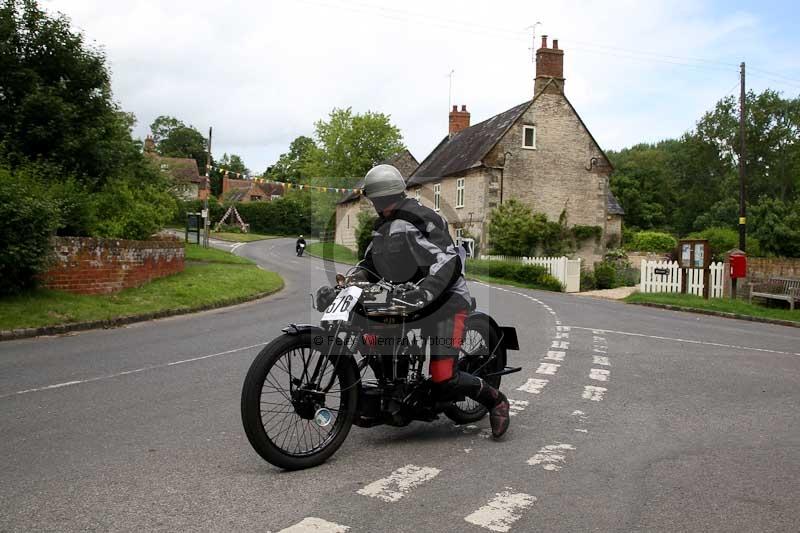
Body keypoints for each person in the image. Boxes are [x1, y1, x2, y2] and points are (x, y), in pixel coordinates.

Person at [349, 164, 510, 438]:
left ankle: (496, 400)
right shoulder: (382, 227)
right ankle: (394, 390)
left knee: (443, 377)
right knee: (367, 331)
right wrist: (352, 282)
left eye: (373, 199)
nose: (374, 204)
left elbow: (448, 260)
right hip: (407, 301)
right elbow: (370, 264)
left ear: (377, 198)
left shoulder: (422, 218)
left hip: (445, 301)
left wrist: (424, 292)